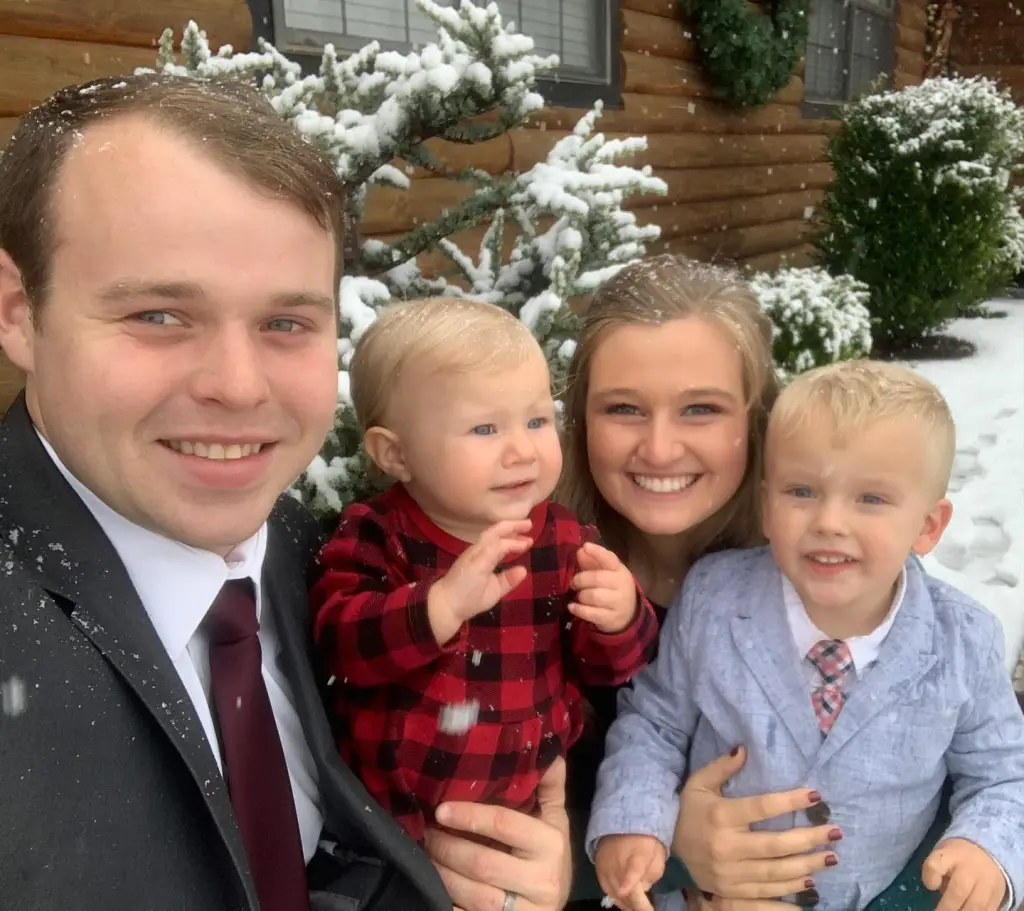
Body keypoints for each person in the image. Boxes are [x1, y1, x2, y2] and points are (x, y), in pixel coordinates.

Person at [0, 73, 569, 911]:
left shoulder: (313, 551)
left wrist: (526, 871)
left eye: (286, 323)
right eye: (160, 314)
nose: (237, 385)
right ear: (19, 310)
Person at [556, 255, 960, 911]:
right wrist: (674, 850)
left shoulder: (823, 573)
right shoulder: (527, 584)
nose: (659, 449)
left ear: (755, 418)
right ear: (580, 417)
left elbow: (931, 781)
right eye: (624, 408)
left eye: (700, 409)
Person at [586, 359, 1024, 911]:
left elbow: (1006, 772)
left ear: (928, 526)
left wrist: (986, 847)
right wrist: (634, 821)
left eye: (870, 498)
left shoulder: (962, 639)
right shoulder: (715, 598)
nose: (829, 522)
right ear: (767, 506)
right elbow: (655, 724)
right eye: (802, 491)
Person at [309, 297, 658, 843]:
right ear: (394, 455)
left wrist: (620, 618)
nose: (522, 450)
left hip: (521, 806)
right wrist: (438, 607)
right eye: (484, 429)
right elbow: (341, 645)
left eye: (538, 420)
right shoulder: (379, 534)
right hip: (391, 816)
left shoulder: (562, 539)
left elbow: (605, 670)